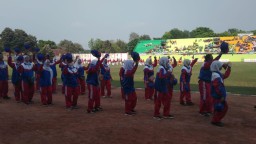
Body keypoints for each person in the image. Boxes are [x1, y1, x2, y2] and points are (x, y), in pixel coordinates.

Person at [210, 61, 231, 127]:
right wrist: (222, 96)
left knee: (220, 108)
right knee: (221, 108)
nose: (221, 67)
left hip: (217, 95)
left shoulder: (216, 74)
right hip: (218, 95)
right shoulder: (216, 75)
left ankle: (216, 120)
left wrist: (229, 68)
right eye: (220, 66)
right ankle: (215, 120)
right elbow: (218, 87)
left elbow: (225, 75)